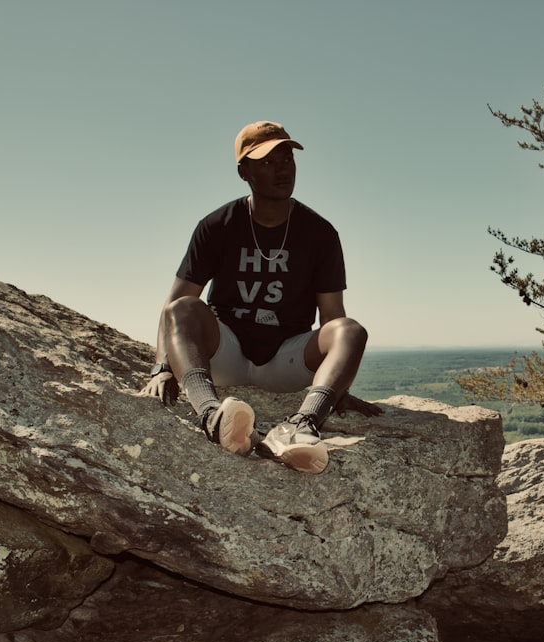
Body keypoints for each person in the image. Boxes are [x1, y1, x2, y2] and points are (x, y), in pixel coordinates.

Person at [141, 120, 382, 474]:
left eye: (287, 159)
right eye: (267, 162)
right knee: (183, 308)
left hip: (286, 361)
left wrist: (335, 385)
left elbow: (332, 317)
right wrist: (163, 367)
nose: (282, 169)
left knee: (351, 330)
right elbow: (175, 306)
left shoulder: (320, 233)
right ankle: (213, 416)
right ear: (244, 172)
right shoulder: (218, 225)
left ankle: (301, 426)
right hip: (227, 353)